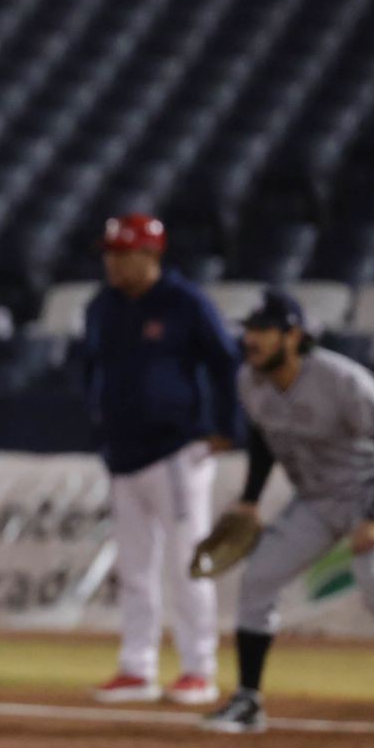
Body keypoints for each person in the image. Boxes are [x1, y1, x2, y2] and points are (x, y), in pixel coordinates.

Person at [202, 289, 374, 737]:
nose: (251, 340)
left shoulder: (341, 379)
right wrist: (251, 500)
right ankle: (247, 701)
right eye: (249, 331)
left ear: (293, 335)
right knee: (259, 576)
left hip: (373, 489)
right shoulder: (250, 381)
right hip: (317, 499)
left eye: (263, 331)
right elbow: (264, 439)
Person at [80, 214, 240, 706]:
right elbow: (89, 367)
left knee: (187, 562)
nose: (112, 262)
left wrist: (226, 428)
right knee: (134, 568)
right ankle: (137, 667)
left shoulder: (183, 302)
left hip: (175, 453)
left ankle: (198, 668)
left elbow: (226, 361)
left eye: (122, 253)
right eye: (109, 253)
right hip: (123, 454)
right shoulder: (103, 306)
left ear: (150, 255)